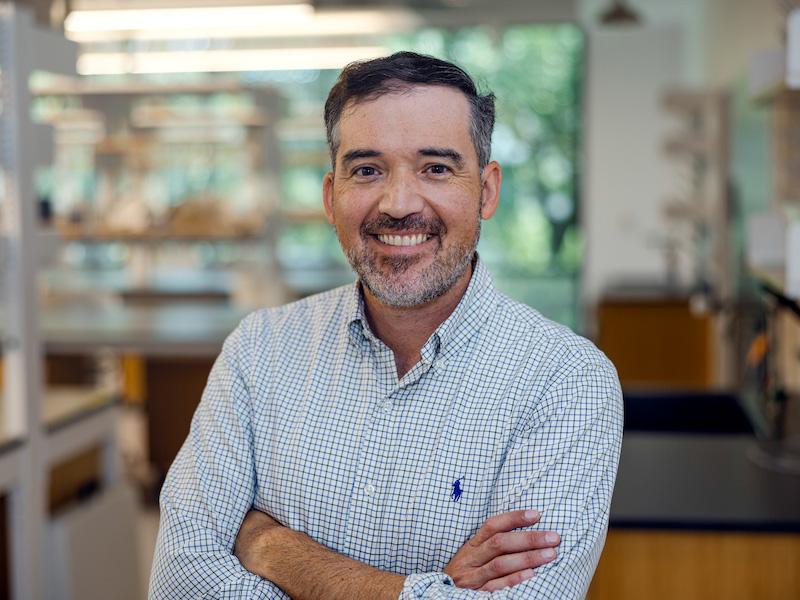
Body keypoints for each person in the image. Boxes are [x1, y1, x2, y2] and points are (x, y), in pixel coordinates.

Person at [149, 51, 623, 599]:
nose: (398, 204)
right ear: (332, 196)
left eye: (436, 168)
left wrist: (273, 548)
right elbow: (179, 581)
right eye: (367, 170)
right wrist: (433, 589)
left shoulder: (566, 380)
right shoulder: (258, 349)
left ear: (487, 191)